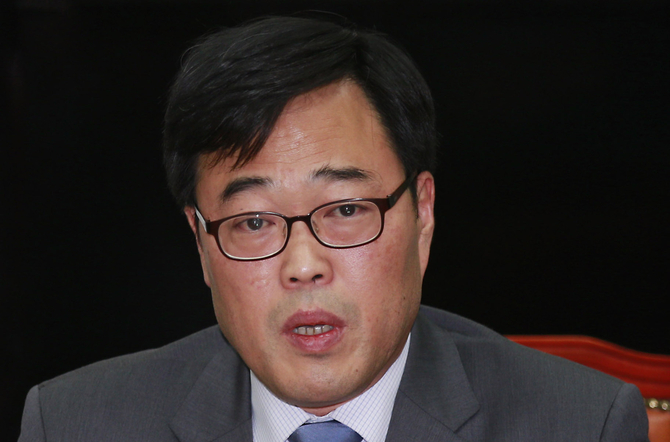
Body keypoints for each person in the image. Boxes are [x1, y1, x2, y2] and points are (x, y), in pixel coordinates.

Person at [18, 16, 649, 442]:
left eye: (345, 210)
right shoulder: (77, 424)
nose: (303, 266)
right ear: (201, 243)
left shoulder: (579, 424)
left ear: (423, 214)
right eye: (254, 221)